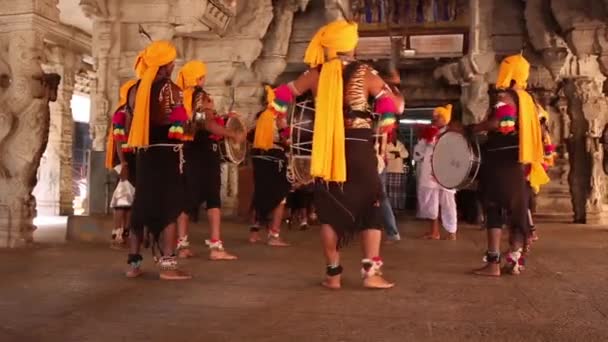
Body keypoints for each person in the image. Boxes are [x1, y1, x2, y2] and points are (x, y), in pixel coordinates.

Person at [267, 19, 404, 289]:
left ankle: (333, 274)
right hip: (358, 144)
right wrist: (386, 123)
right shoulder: (364, 72)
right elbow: (392, 105)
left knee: (329, 211)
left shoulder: (315, 73)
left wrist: (279, 118)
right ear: (350, 46)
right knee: (372, 205)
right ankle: (370, 274)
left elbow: (283, 94)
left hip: (327, 147)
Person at [468, 54, 549, 276]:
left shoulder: (506, 97)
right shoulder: (531, 102)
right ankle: (514, 260)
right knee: (518, 213)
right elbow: (543, 133)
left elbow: (503, 123)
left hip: (500, 161)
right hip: (522, 162)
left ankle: (493, 263)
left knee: (493, 207)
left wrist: (477, 127)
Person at [124, 40, 193, 280]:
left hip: (143, 155)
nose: (174, 65)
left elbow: (129, 121)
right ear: (167, 64)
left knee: (141, 207)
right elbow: (176, 123)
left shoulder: (135, 90)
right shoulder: (171, 89)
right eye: (172, 61)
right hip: (166, 154)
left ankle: (133, 265)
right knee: (169, 210)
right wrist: (189, 118)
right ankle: (168, 267)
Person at [175, 60, 243, 260]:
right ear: (198, 77)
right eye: (202, 75)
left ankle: (182, 246)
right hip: (204, 153)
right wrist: (232, 134)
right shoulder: (200, 96)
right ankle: (215, 247)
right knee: (213, 199)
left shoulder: (182, 97)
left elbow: (198, 122)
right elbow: (208, 125)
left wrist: (220, 116)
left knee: (187, 200)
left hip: (189, 151)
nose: (204, 78)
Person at [249, 97, 291, 246]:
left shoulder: (260, 116)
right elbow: (286, 140)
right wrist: (284, 128)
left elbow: (250, 136)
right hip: (275, 158)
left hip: (258, 157)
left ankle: (254, 233)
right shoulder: (278, 118)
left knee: (260, 193)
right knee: (280, 197)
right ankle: (274, 235)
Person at [413, 104, 458, 240]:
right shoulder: (427, 132)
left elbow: (456, 152)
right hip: (429, 171)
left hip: (445, 171)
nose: (435, 119)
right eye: (434, 117)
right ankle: (434, 232)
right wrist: (425, 139)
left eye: (438, 117)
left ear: (445, 119)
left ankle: (452, 231)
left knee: (448, 202)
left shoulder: (452, 133)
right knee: (430, 201)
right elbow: (418, 154)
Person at [106, 79, 138, 249]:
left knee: (131, 199)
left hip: (135, 158)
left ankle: (126, 232)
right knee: (122, 199)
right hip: (124, 158)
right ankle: (117, 234)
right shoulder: (121, 113)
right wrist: (124, 163)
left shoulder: (137, 112)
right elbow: (119, 140)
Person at [384, 134, 408, 211]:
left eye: (394, 135)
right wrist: (397, 154)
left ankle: (396, 208)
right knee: (389, 191)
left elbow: (406, 154)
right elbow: (386, 155)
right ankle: (390, 209)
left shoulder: (400, 144)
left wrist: (395, 153)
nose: (393, 136)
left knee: (397, 192)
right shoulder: (386, 144)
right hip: (389, 170)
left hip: (399, 170)